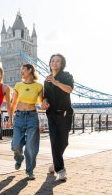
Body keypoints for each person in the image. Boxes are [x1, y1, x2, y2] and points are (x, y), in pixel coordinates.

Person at [10, 64, 48, 180]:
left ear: (30, 70)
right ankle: (19, 158)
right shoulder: (18, 85)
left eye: (23, 69)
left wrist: (44, 104)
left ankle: (30, 170)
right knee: (16, 145)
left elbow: (41, 103)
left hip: (32, 116)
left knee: (31, 147)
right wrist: (11, 118)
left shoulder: (38, 86)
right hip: (19, 116)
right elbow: (14, 103)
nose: (21, 71)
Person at [43, 53, 74, 181]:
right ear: (50, 63)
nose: (54, 63)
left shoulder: (67, 76)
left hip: (65, 114)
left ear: (61, 64)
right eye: (52, 61)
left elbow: (69, 89)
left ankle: (55, 163)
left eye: (57, 61)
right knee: (54, 142)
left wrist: (56, 83)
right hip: (51, 115)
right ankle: (61, 170)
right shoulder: (46, 80)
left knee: (64, 142)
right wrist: (44, 102)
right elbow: (45, 96)